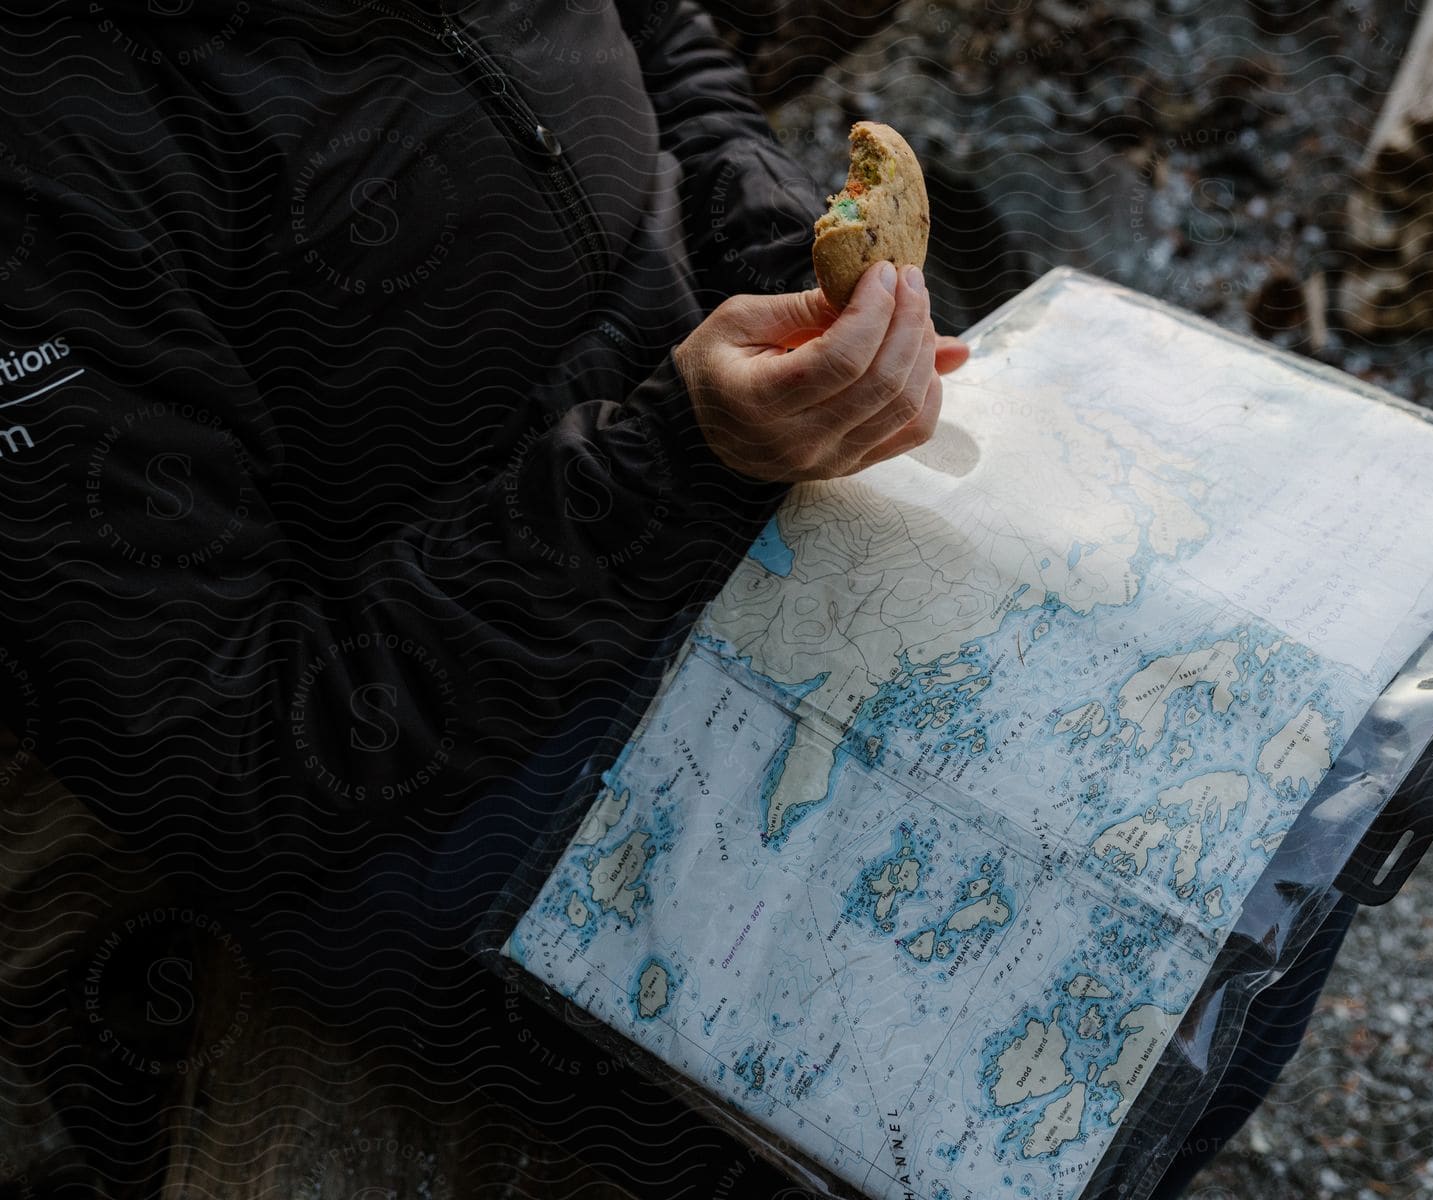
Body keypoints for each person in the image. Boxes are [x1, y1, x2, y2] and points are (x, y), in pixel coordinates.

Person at [0, 0, 966, 1192]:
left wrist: (775, 242)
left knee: (1251, 843)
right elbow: (227, 764)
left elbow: (661, 40)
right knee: (937, 1089)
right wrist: (670, 463)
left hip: (694, 478)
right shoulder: (43, 148)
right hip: (438, 760)